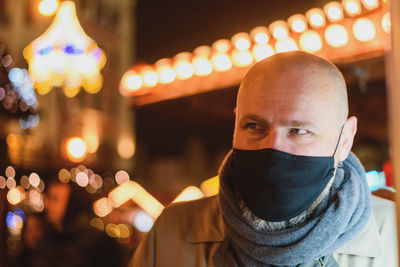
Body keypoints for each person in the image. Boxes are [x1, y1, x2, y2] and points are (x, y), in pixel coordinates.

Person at [129, 51, 398, 267]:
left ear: (345, 140)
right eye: (254, 126)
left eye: (298, 131)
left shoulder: (394, 235)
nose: (272, 150)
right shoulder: (172, 232)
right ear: (235, 126)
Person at [32, 180, 125, 267]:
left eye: (55, 199)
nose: (49, 205)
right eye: (49, 198)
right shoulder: (47, 239)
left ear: (71, 204)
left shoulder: (97, 242)